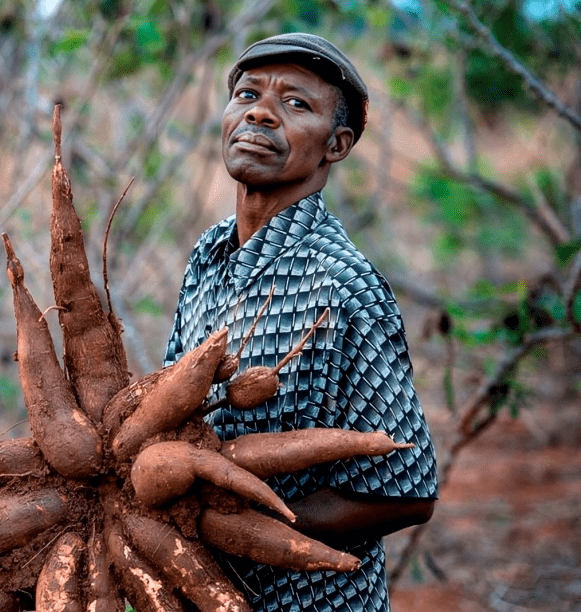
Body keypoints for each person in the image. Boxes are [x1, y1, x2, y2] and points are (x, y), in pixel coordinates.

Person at [163, 33, 438, 611]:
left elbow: (409, 492)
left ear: (335, 145)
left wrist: (242, 528)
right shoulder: (208, 256)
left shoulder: (340, 284)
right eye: (246, 94)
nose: (259, 112)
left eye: (296, 104)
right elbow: (172, 410)